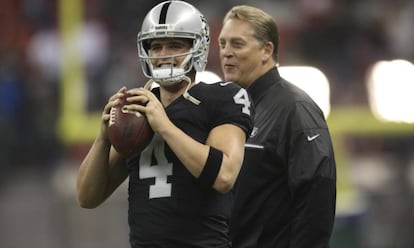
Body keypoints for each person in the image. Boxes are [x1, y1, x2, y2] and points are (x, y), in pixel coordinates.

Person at [76, 1, 253, 247]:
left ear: (198, 48)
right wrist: (103, 137)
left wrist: (165, 126)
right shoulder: (138, 108)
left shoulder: (222, 97)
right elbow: (87, 197)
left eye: (175, 45)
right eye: (156, 46)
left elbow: (224, 176)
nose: (163, 54)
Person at [218, 5, 337, 248]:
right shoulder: (230, 108)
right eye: (222, 44)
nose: (226, 53)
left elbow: (317, 194)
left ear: (266, 50)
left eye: (237, 44)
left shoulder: (295, 108)